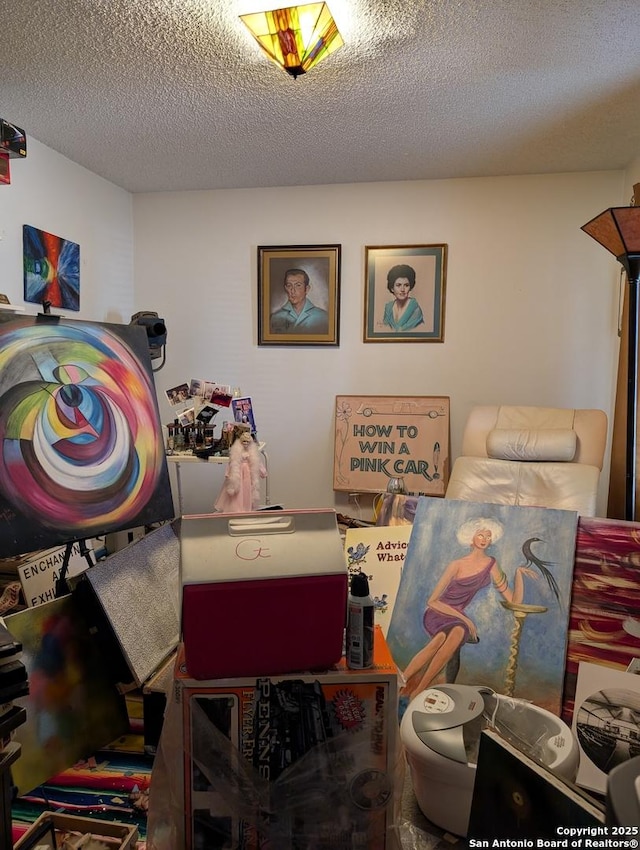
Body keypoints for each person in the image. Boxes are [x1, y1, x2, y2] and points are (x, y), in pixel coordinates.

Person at [400, 517, 539, 699]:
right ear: (470, 537)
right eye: (480, 535)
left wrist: (519, 574)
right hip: (438, 612)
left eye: (488, 536)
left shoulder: (491, 564)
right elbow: (433, 601)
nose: (484, 539)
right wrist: (465, 619)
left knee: (445, 637)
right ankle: (402, 681)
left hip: (456, 618)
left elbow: (514, 601)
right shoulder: (456, 565)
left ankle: (417, 691)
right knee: (452, 632)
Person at [214, 430, 266, 512]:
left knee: (246, 490)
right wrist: (228, 473)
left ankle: (245, 508)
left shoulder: (252, 452)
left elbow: (257, 462)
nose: (245, 443)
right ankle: (236, 508)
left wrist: (263, 472)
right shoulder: (236, 451)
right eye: (244, 441)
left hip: (247, 473)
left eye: (247, 441)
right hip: (238, 472)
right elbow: (232, 462)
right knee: (237, 490)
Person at [270, 268, 329, 334]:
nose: (292, 291)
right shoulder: (275, 317)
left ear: (306, 289)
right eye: (289, 286)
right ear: (286, 288)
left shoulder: (323, 317)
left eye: (298, 285)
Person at [382, 264, 424, 331]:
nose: (402, 289)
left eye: (406, 285)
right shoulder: (388, 308)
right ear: (392, 288)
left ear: (410, 287)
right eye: (398, 285)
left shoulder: (415, 310)